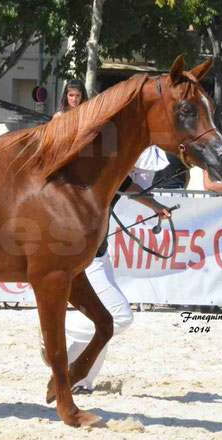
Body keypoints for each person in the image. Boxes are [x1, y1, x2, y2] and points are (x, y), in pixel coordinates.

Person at [39, 82, 172, 394]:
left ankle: (82, 381)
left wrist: (156, 205)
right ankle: (55, 336)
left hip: (101, 252)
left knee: (108, 318)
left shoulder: (109, 167)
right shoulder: (91, 166)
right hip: (89, 257)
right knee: (118, 319)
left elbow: (128, 186)